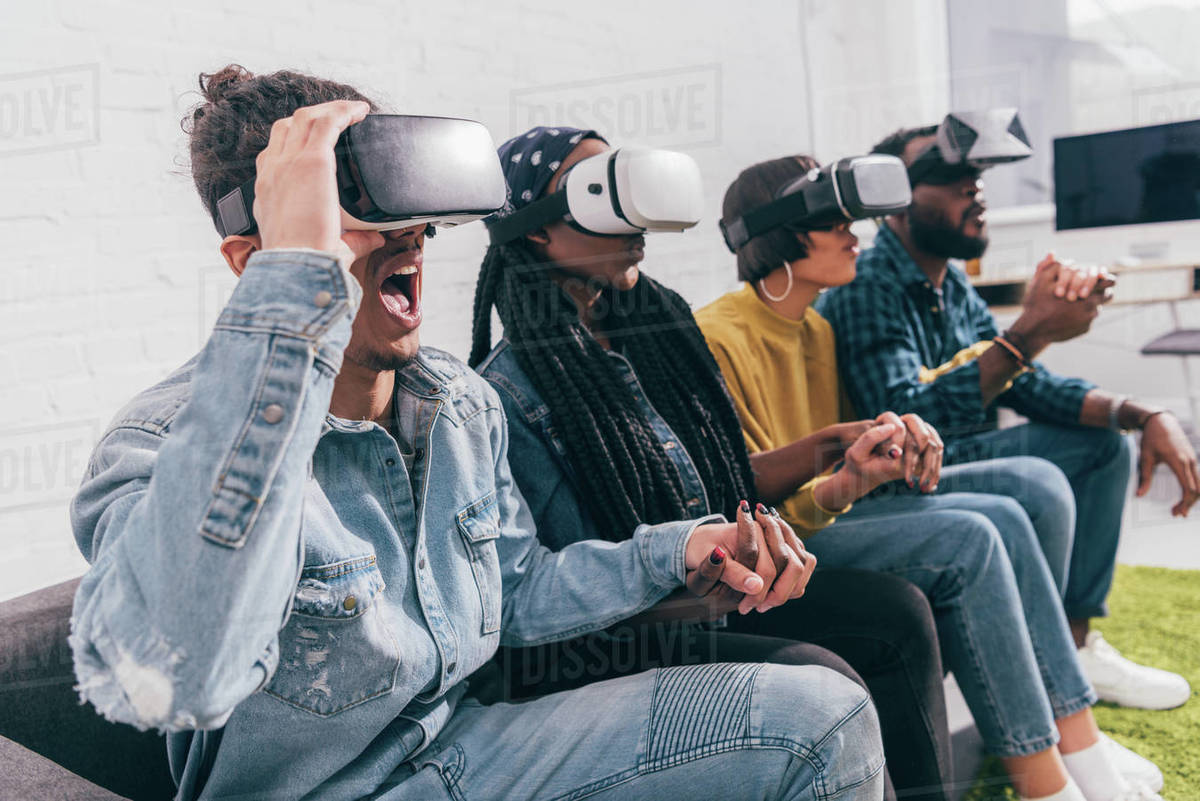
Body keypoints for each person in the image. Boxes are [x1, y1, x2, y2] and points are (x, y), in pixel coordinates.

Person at [65, 66, 886, 801]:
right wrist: (297, 291)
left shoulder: (459, 403)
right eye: (346, 212)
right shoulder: (160, 443)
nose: (409, 234)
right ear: (256, 261)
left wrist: (678, 550)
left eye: (404, 207)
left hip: (474, 749)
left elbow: (517, 589)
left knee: (821, 715)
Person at [472, 127, 953, 801]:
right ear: (535, 230)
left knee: (895, 613)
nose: (630, 215)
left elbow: (726, 476)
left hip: (712, 602)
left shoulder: (657, 331)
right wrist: (689, 577)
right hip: (624, 639)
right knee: (821, 673)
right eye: (597, 191)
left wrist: (837, 443)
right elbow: (543, 594)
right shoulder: (508, 394)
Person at [697, 155, 1167, 801]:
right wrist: (850, 470)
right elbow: (749, 504)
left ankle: (1078, 743)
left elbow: (858, 453)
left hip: (833, 514)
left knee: (1005, 514)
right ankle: (1047, 784)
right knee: (972, 535)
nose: (855, 233)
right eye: (834, 221)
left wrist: (872, 461)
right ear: (780, 233)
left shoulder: (817, 328)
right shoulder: (717, 335)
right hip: (789, 544)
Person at [816, 123, 1196, 712]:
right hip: (888, 480)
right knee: (1037, 482)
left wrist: (1141, 412)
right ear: (895, 204)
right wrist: (1030, 332)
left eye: (976, 174)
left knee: (1104, 445)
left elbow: (1026, 384)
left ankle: (1075, 645)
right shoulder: (868, 285)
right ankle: (1042, 662)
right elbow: (906, 423)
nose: (974, 188)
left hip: (956, 459)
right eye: (948, 176)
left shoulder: (951, 280)